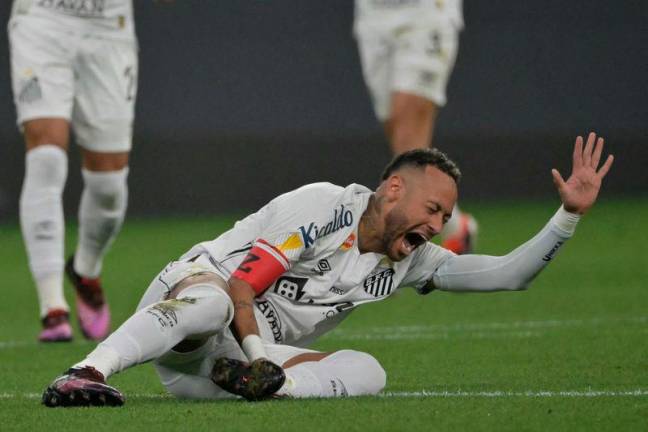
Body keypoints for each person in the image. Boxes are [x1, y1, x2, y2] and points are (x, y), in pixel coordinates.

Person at [42, 133, 612, 406]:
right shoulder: (324, 205)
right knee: (215, 302)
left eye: (445, 216)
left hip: (223, 369)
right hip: (190, 312)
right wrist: (262, 356)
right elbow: (244, 284)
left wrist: (567, 216)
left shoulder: (410, 261)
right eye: (433, 209)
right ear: (393, 190)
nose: (438, 225)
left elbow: (510, 273)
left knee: (370, 371)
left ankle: (273, 392)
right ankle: (87, 373)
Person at [9, 0, 139, 342]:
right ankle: (52, 307)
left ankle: (86, 271)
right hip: (43, 18)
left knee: (109, 186)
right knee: (46, 158)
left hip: (109, 29)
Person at [353, 0, 477, 254]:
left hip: (425, 13)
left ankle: (399, 242)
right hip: (373, 15)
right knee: (400, 137)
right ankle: (455, 227)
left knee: (407, 128)